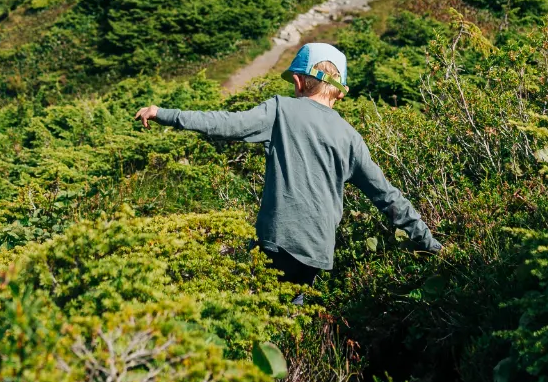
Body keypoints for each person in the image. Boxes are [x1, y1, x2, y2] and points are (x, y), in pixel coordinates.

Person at [136, 42, 442, 284]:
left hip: (279, 242)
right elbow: (387, 197)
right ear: (340, 92)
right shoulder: (350, 137)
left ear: (297, 81)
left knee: (252, 305)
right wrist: (430, 245)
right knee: (291, 312)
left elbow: (224, 124)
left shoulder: (280, 110)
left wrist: (164, 113)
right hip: (318, 252)